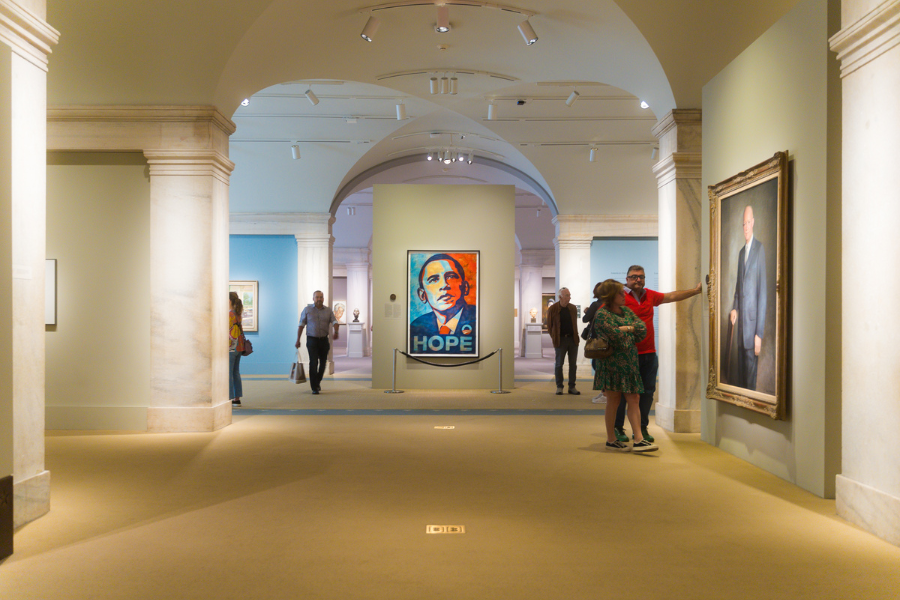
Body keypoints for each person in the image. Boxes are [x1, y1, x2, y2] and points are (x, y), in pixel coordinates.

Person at [613, 265, 702, 443]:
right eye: (634, 277)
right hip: (626, 354)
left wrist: (695, 291)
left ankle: (642, 428)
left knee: (647, 392)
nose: (638, 280)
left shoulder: (650, 295)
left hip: (649, 353)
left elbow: (671, 296)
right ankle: (617, 427)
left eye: (642, 277)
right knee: (623, 393)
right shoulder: (620, 297)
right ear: (627, 278)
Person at [592, 279, 657, 453]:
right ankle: (611, 439)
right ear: (611, 295)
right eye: (620, 293)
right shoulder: (602, 314)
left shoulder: (626, 311)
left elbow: (642, 330)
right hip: (611, 365)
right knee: (613, 401)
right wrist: (630, 329)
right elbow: (615, 337)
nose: (623, 295)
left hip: (630, 364)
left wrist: (625, 329)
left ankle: (638, 439)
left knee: (634, 399)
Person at [729, 205, 767, 391]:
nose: (745, 227)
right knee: (741, 379)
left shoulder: (759, 250)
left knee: (750, 383)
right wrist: (734, 308)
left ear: (753, 223)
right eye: (743, 223)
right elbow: (738, 288)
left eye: (748, 222)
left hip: (752, 330)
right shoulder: (740, 253)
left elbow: (763, 294)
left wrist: (759, 334)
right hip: (741, 327)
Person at [409, 253, 477, 355]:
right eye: (434, 279)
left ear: (465, 288)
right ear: (422, 295)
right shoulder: (416, 327)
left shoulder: (477, 319)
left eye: (451, 277)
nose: (444, 285)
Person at [295, 290, 339, 395]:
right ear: (313, 298)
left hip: (324, 340)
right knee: (313, 362)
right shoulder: (307, 310)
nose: (319, 299)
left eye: (321, 297)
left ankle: (317, 381)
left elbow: (335, 321)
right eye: (317, 297)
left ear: (323, 298)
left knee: (323, 364)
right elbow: (301, 325)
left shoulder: (328, 311)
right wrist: (298, 340)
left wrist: (336, 331)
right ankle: (314, 387)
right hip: (312, 340)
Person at [547, 287, 580, 396]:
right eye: (567, 295)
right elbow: (549, 326)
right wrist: (555, 337)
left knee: (573, 364)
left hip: (573, 340)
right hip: (560, 340)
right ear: (560, 296)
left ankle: (572, 386)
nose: (569, 297)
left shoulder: (573, 308)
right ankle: (559, 386)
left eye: (569, 295)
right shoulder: (553, 309)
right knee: (559, 364)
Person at [582, 282, 605, 404]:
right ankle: (605, 392)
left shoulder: (596, 305)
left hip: (597, 341)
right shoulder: (610, 305)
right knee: (604, 367)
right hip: (608, 340)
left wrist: (588, 312)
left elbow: (585, 319)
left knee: (597, 366)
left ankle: (605, 393)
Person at [228, 291, 244, 407]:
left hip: (230, 346)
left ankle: (229, 398)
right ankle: (237, 399)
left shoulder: (229, 315)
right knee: (236, 372)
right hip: (239, 346)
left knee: (228, 373)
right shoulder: (238, 314)